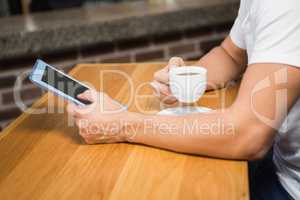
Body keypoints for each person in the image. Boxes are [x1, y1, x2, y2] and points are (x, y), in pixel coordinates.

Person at [67, 0, 300, 199]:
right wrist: (184, 81)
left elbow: (249, 134)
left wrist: (121, 124)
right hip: (280, 162)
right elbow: (230, 55)